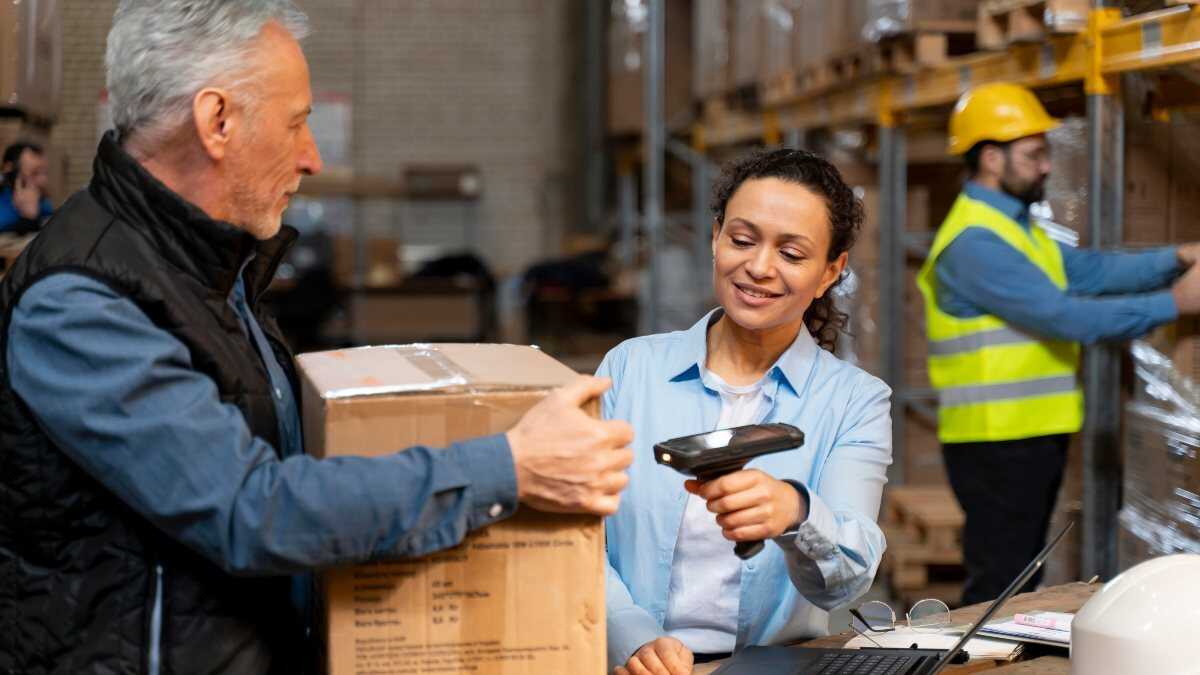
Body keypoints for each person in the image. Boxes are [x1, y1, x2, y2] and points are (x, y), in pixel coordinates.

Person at [0, 2, 634, 673]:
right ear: (217, 122)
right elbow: (252, 510)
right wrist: (510, 465)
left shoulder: (209, 267)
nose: (312, 156)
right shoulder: (80, 301)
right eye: (297, 122)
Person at [600, 149, 893, 675]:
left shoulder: (855, 401)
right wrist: (630, 633)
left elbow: (847, 581)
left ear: (831, 271)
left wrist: (797, 515)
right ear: (716, 238)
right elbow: (577, 534)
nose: (758, 267)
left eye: (793, 253)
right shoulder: (629, 370)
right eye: (742, 240)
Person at [918, 82, 1200, 606]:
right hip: (996, 440)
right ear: (989, 158)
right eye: (1034, 154)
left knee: (1017, 578)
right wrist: (1175, 304)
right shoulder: (976, 243)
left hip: (1026, 435)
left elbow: (1087, 271)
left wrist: (1175, 257)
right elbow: (1065, 317)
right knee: (1000, 586)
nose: (1047, 166)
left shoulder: (1014, 229)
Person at [0, 140, 54, 233]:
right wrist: (28, 219)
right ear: (9, 169)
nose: (43, 181)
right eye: (34, 173)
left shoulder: (44, 205)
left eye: (44, 173)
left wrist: (32, 218)